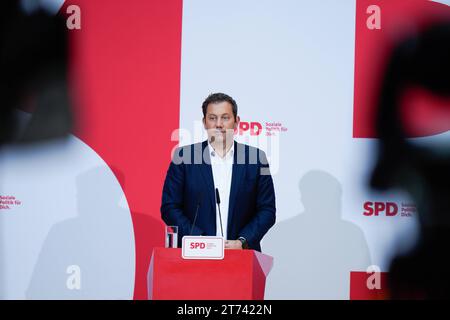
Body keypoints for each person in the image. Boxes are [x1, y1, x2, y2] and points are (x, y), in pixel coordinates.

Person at [161, 92, 276, 251]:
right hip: (195, 256)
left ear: (236, 122)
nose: (219, 124)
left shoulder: (256, 159)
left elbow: (267, 210)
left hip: (241, 256)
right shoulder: (184, 157)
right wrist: (199, 240)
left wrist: (242, 241)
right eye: (212, 118)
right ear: (204, 122)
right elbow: (169, 207)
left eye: (225, 118)